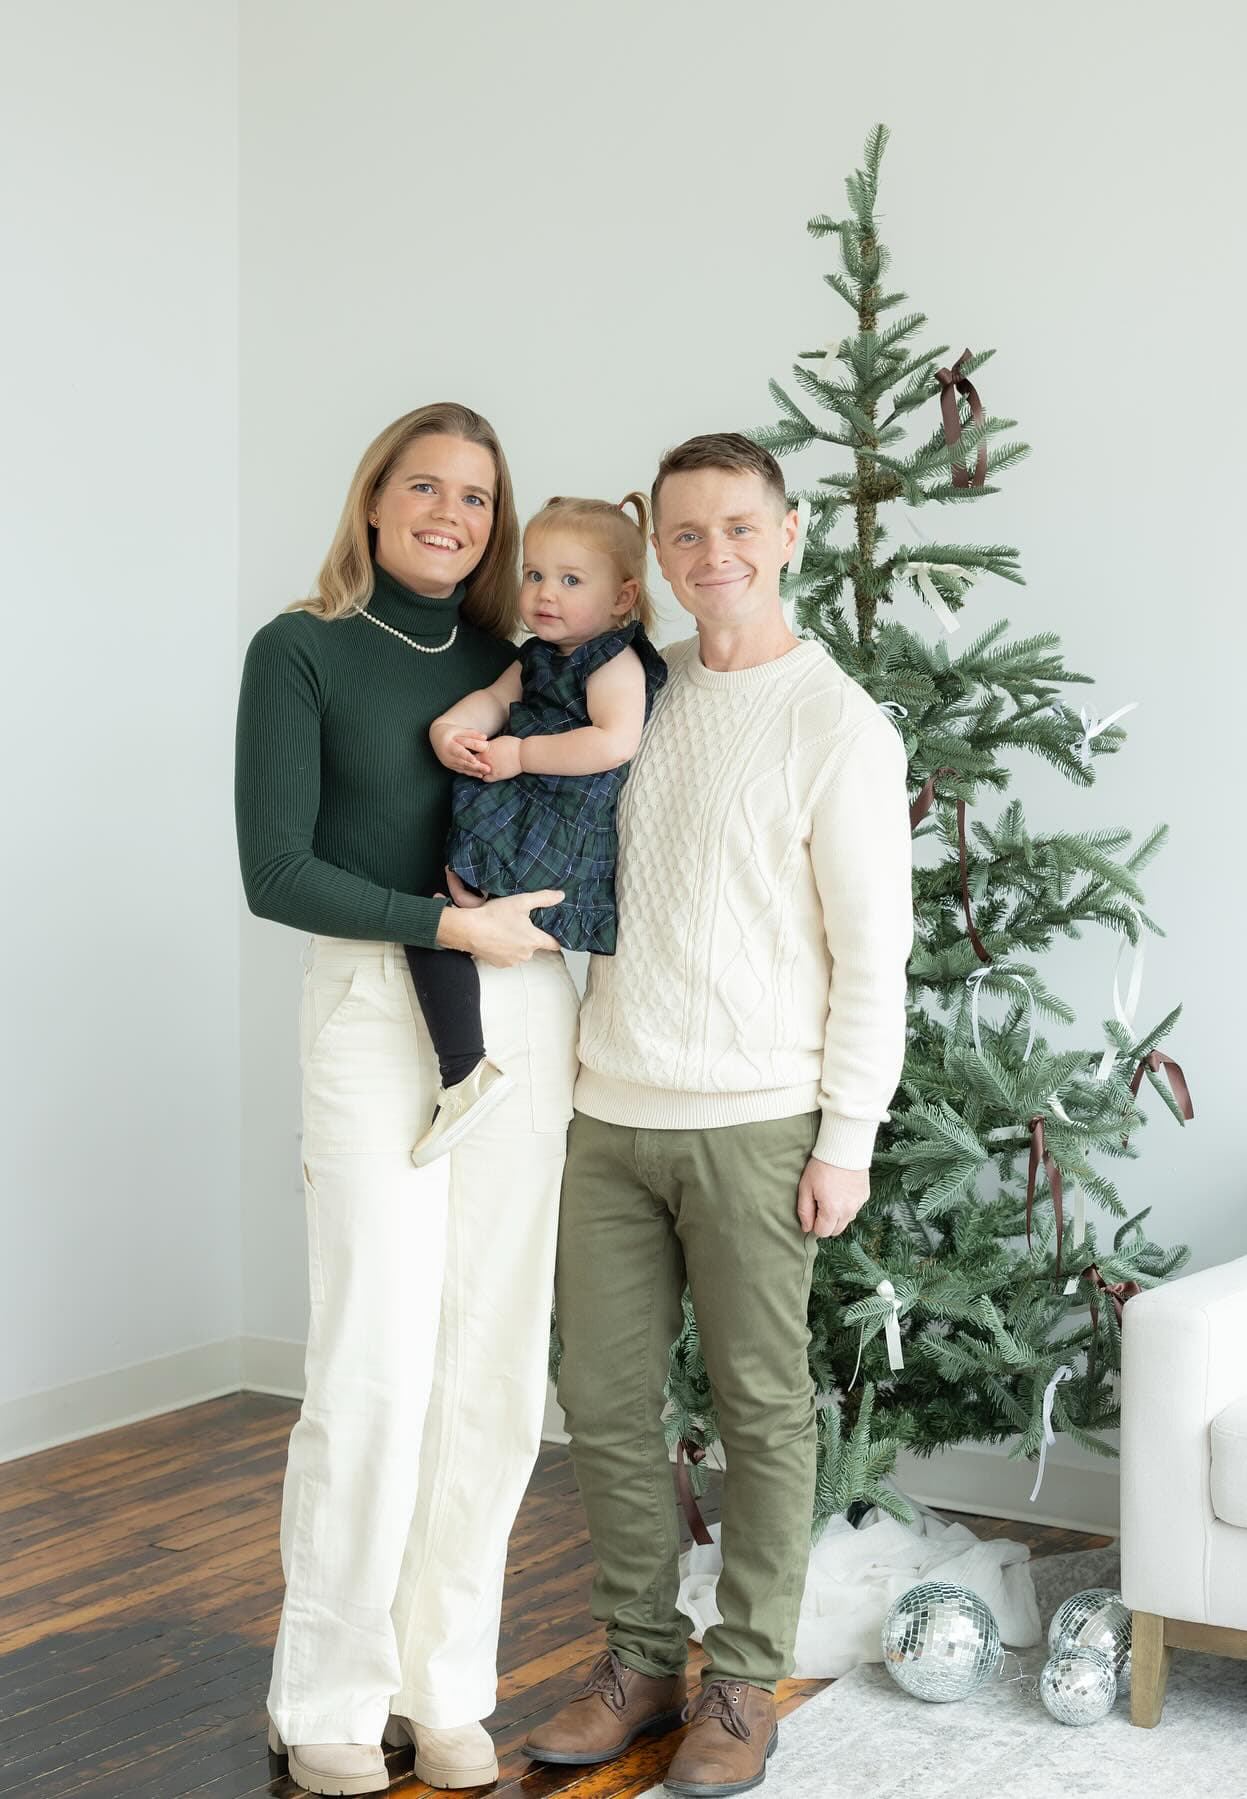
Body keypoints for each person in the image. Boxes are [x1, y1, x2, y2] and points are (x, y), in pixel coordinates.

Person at [523, 434, 915, 1797]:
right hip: (608, 1108)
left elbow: (873, 955)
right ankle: (640, 1661)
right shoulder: (638, 690)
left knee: (760, 1405)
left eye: (740, 527)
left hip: (759, 1119)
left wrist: (848, 1136)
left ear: (789, 533)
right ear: (658, 553)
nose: (714, 555)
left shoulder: (839, 725)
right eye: (685, 533)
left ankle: (744, 1679)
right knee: (601, 1399)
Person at [235, 401, 579, 1798]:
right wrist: (449, 928)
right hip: (379, 1002)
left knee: (491, 1364)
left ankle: (440, 1684)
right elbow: (275, 870)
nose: (451, 514)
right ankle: (326, 1690)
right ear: (373, 499)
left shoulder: (523, 661)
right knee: (372, 1359)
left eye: (478, 496)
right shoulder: (301, 649)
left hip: (526, 1006)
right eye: (425, 486)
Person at [405, 494, 668, 1167]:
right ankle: (466, 1066)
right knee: (435, 910)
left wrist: (521, 754)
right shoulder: (536, 655)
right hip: (523, 809)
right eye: (535, 574)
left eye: (571, 579)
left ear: (623, 597)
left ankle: (464, 1067)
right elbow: (495, 700)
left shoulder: (614, 661)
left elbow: (614, 740)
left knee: (438, 910)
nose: (546, 593)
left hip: (563, 824)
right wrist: (450, 730)